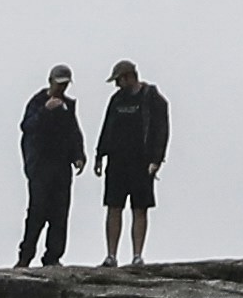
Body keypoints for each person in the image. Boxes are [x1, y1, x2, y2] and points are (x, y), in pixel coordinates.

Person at [93, 62, 170, 265]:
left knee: (140, 208)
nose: (117, 85)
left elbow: (161, 130)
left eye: (118, 80)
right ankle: (111, 255)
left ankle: (137, 255)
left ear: (129, 77)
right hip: (117, 162)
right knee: (113, 206)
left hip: (142, 163)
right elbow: (107, 126)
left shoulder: (152, 98)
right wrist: (100, 154)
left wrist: (156, 159)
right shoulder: (116, 100)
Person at [13, 69, 83, 267]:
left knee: (60, 213)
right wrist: (46, 110)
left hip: (62, 166)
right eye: (59, 83)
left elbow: (73, 131)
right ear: (50, 81)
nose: (62, 87)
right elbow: (27, 127)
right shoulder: (36, 102)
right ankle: (25, 256)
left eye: (65, 84)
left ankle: (53, 257)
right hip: (40, 166)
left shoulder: (68, 106)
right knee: (37, 211)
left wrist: (78, 155)